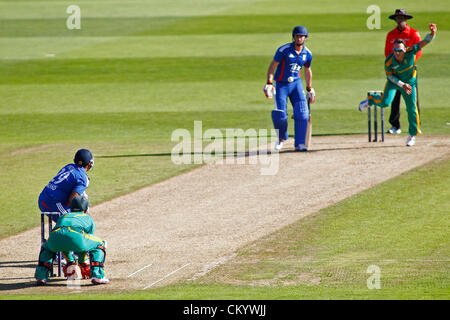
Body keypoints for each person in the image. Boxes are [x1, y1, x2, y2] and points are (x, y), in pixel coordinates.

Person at [359, 24, 437, 147]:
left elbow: (425, 42)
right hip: (394, 82)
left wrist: (432, 34)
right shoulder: (389, 61)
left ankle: (412, 135)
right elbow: (389, 76)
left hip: (410, 82)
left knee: (411, 108)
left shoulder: (411, 52)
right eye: (395, 50)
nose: (397, 53)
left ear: (405, 49)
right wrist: (401, 84)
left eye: (399, 50)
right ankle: (371, 100)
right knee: (385, 103)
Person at [35, 196, 109, 285]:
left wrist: (70, 262)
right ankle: (97, 276)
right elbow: (85, 244)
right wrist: (82, 263)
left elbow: (63, 241)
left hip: (55, 237)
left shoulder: (63, 216)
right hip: (76, 237)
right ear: (85, 209)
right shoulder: (87, 218)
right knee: (99, 244)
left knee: (46, 248)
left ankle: (41, 277)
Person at [264, 25, 316, 152]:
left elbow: (308, 70)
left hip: (296, 84)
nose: (299, 38)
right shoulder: (284, 50)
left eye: (302, 36)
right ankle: (281, 138)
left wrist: (309, 88)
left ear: (305, 38)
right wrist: (269, 82)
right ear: (294, 37)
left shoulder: (307, 53)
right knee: (280, 114)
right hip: (281, 84)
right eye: (297, 36)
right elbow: (273, 65)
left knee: (303, 114)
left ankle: (300, 144)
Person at [385, 9, 422, 134]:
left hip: (409, 70)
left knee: (412, 98)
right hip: (395, 70)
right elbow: (387, 52)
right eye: (397, 18)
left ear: (406, 19)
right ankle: (395, 125)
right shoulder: (390, 34)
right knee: (394, 98)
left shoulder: (413, 33)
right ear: (395, 19)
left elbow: (418, 52)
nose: (399, 20)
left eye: (401, 18)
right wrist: (393, 65)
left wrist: (408, 64)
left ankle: (417, 126)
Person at [38, 149, 94, 221]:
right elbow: (72, 200)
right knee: (73, 223)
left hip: (42, 198)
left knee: (69, 223)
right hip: (53, 203)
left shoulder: (68, 166)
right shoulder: (83, 178)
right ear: (89, 163)